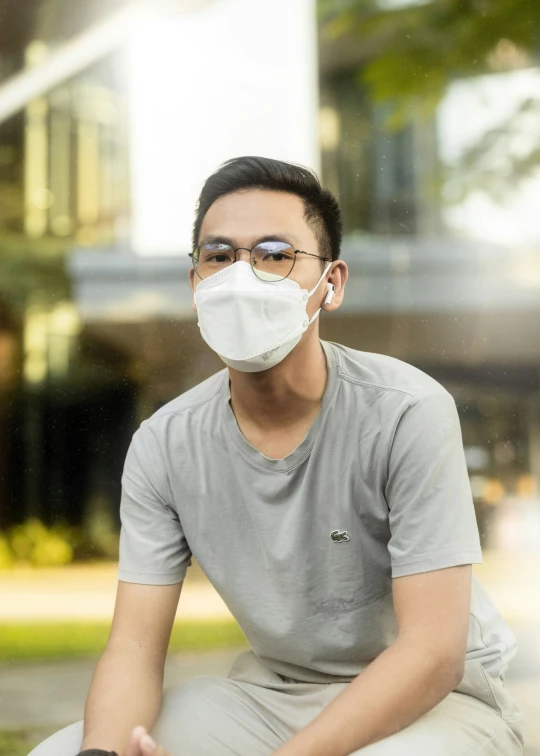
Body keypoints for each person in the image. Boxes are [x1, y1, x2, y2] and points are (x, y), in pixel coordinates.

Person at [28, 156, 525, 756]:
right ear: (195, 286)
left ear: (332, 283)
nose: (242, 276)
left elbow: (431, 654)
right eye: (219, 256)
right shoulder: (164, 443)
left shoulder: (406, 412)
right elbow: (133, 649)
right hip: (273, 698)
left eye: (273, 254)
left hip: (440, 703)